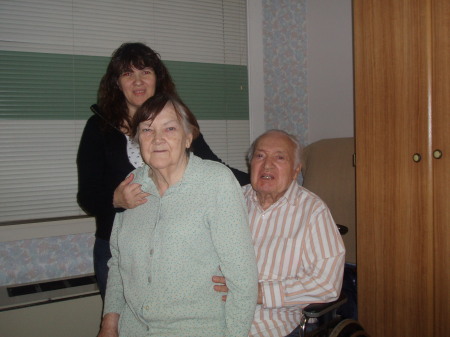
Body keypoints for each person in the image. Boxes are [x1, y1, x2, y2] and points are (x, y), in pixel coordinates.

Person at [76, 42, 250, 299]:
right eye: (127, 74)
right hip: (119, 252)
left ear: (158, 78)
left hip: (173, 250)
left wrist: (259, 180)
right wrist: (115, 199)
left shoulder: (178, 122)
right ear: (116, 83)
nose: (138, 81)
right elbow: (87, 196)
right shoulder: (98, 127)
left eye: (145, 71)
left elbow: (213, 167)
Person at [97, 93, 258, 337]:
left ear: (188, 137)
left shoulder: (216, 182)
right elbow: (119, 265)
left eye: (169, 128)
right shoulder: (131, 186)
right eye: (147, 130)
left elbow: (243, 278)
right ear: (137, 140)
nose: (157, 139)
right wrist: (108, 326)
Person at [213, 130, 345, 337]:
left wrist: (260, 293)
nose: (267, 165)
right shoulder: (231, 200)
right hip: (214, 318)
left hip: (271, 326)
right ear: (251, 164)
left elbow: (326, 284)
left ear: (295, 170)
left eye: (279, 157)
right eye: (260, 155)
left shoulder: (313, 211)